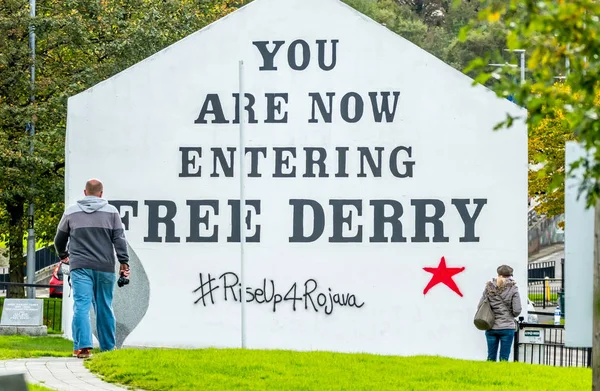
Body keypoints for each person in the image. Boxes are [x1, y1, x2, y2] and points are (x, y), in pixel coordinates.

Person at [54, 179, 130, 359]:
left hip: (80, 266)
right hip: (105, 267)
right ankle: (108, 348)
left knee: (81, 305)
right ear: (101, 194)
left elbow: (59, 239)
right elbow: (119, 240)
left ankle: (83, 348)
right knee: (104, 306)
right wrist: (124, 264)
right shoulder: (112, 212)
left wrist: (63, 255)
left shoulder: (71, 212)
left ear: (85, 192)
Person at [478, 264, 522, 362]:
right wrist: (511, 315)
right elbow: (517, 310)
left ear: (498, 274)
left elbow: (480, 306)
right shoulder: (513, 288)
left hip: (491, 326)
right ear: (510, 275)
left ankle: (489, 376)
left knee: (490, 358)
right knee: (504, 359)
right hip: (507, 327)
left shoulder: (489, 287)